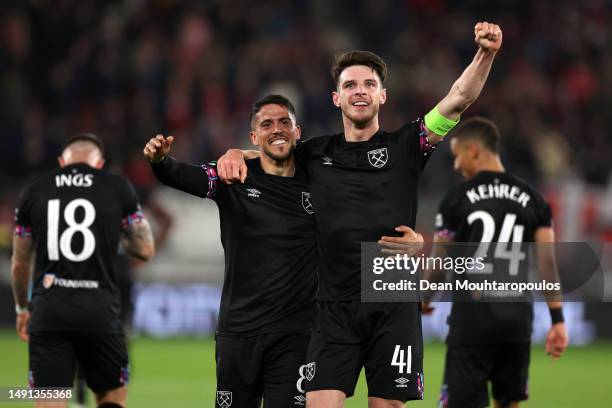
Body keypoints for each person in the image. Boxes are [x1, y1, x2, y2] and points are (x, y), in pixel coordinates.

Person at [218, 21, 503, 408]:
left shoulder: (409, 144)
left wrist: (485, 53)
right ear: (337, 98)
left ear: (382, 95)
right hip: (333, 304)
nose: (359, 92)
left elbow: (458, 97)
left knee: (385, 405)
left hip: (391, 295)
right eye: (350, 85)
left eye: (368, 84)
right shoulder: (315, 153)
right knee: (319, 403)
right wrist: (236, 154)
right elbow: (273, 150)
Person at [144, 94, 319, 407]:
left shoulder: (319, 179)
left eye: (284, 123)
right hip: (239, 331)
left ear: (298, 132)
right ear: (254, 135)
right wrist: (160, 161)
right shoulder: (232, 176)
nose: (276, 129)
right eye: (267, 124)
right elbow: (183, 176)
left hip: (295, 334)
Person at [422, 117, 568, 408]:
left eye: (457, 155)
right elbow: (546, 262)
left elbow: (438, 263)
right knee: (508, 402)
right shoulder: (533, 199)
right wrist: (557, 320)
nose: (456, 165)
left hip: (471, 323)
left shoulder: (456, 199)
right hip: (516, 323)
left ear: (474, 150)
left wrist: (425, 299)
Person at [11, 133, 155, 408]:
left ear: (61, 162)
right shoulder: (117, 187)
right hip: (100, 311)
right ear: (99, 164)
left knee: (50, 400)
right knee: (110, 398)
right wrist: (111, 228)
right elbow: (145, 249)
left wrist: (21, 309)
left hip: (49, 310)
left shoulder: (35, 190)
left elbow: (19, 263)